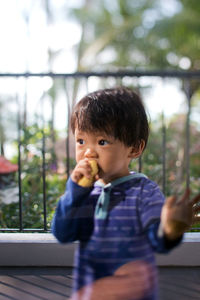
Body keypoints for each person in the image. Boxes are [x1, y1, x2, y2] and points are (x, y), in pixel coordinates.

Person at [52, 87, 200, 300]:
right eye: (81, 141)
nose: (88, 152)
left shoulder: (143, 191)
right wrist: (74, 192)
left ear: (134, 148)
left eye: (102, 142)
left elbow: (156, 240)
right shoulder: (82, 193)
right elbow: (63, 233)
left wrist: (169, 229)